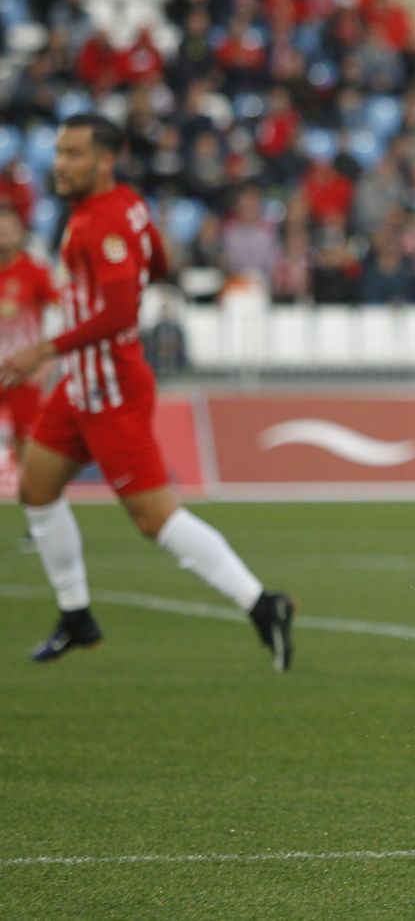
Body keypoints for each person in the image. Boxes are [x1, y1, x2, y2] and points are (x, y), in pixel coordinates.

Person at [0, 115, 297, 670]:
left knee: (155, 519)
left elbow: (117, 311)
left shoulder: (102, 223)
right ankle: (76, 616)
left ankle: (262, 604)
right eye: (59, 152)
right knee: (37, 489)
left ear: (105, 161)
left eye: (74, 154)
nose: (60, 164)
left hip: (109, 386)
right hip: (80, 385)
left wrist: (42, 351)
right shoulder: (124, 206)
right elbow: (158, 258)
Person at [0, 204, 56, 461]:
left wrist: (49, 360)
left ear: (21, 233)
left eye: (9, 230)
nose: (4, 235)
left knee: (27, 442)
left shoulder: (36, 272)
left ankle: (30, 495)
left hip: (23, 372)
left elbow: (61, 315)